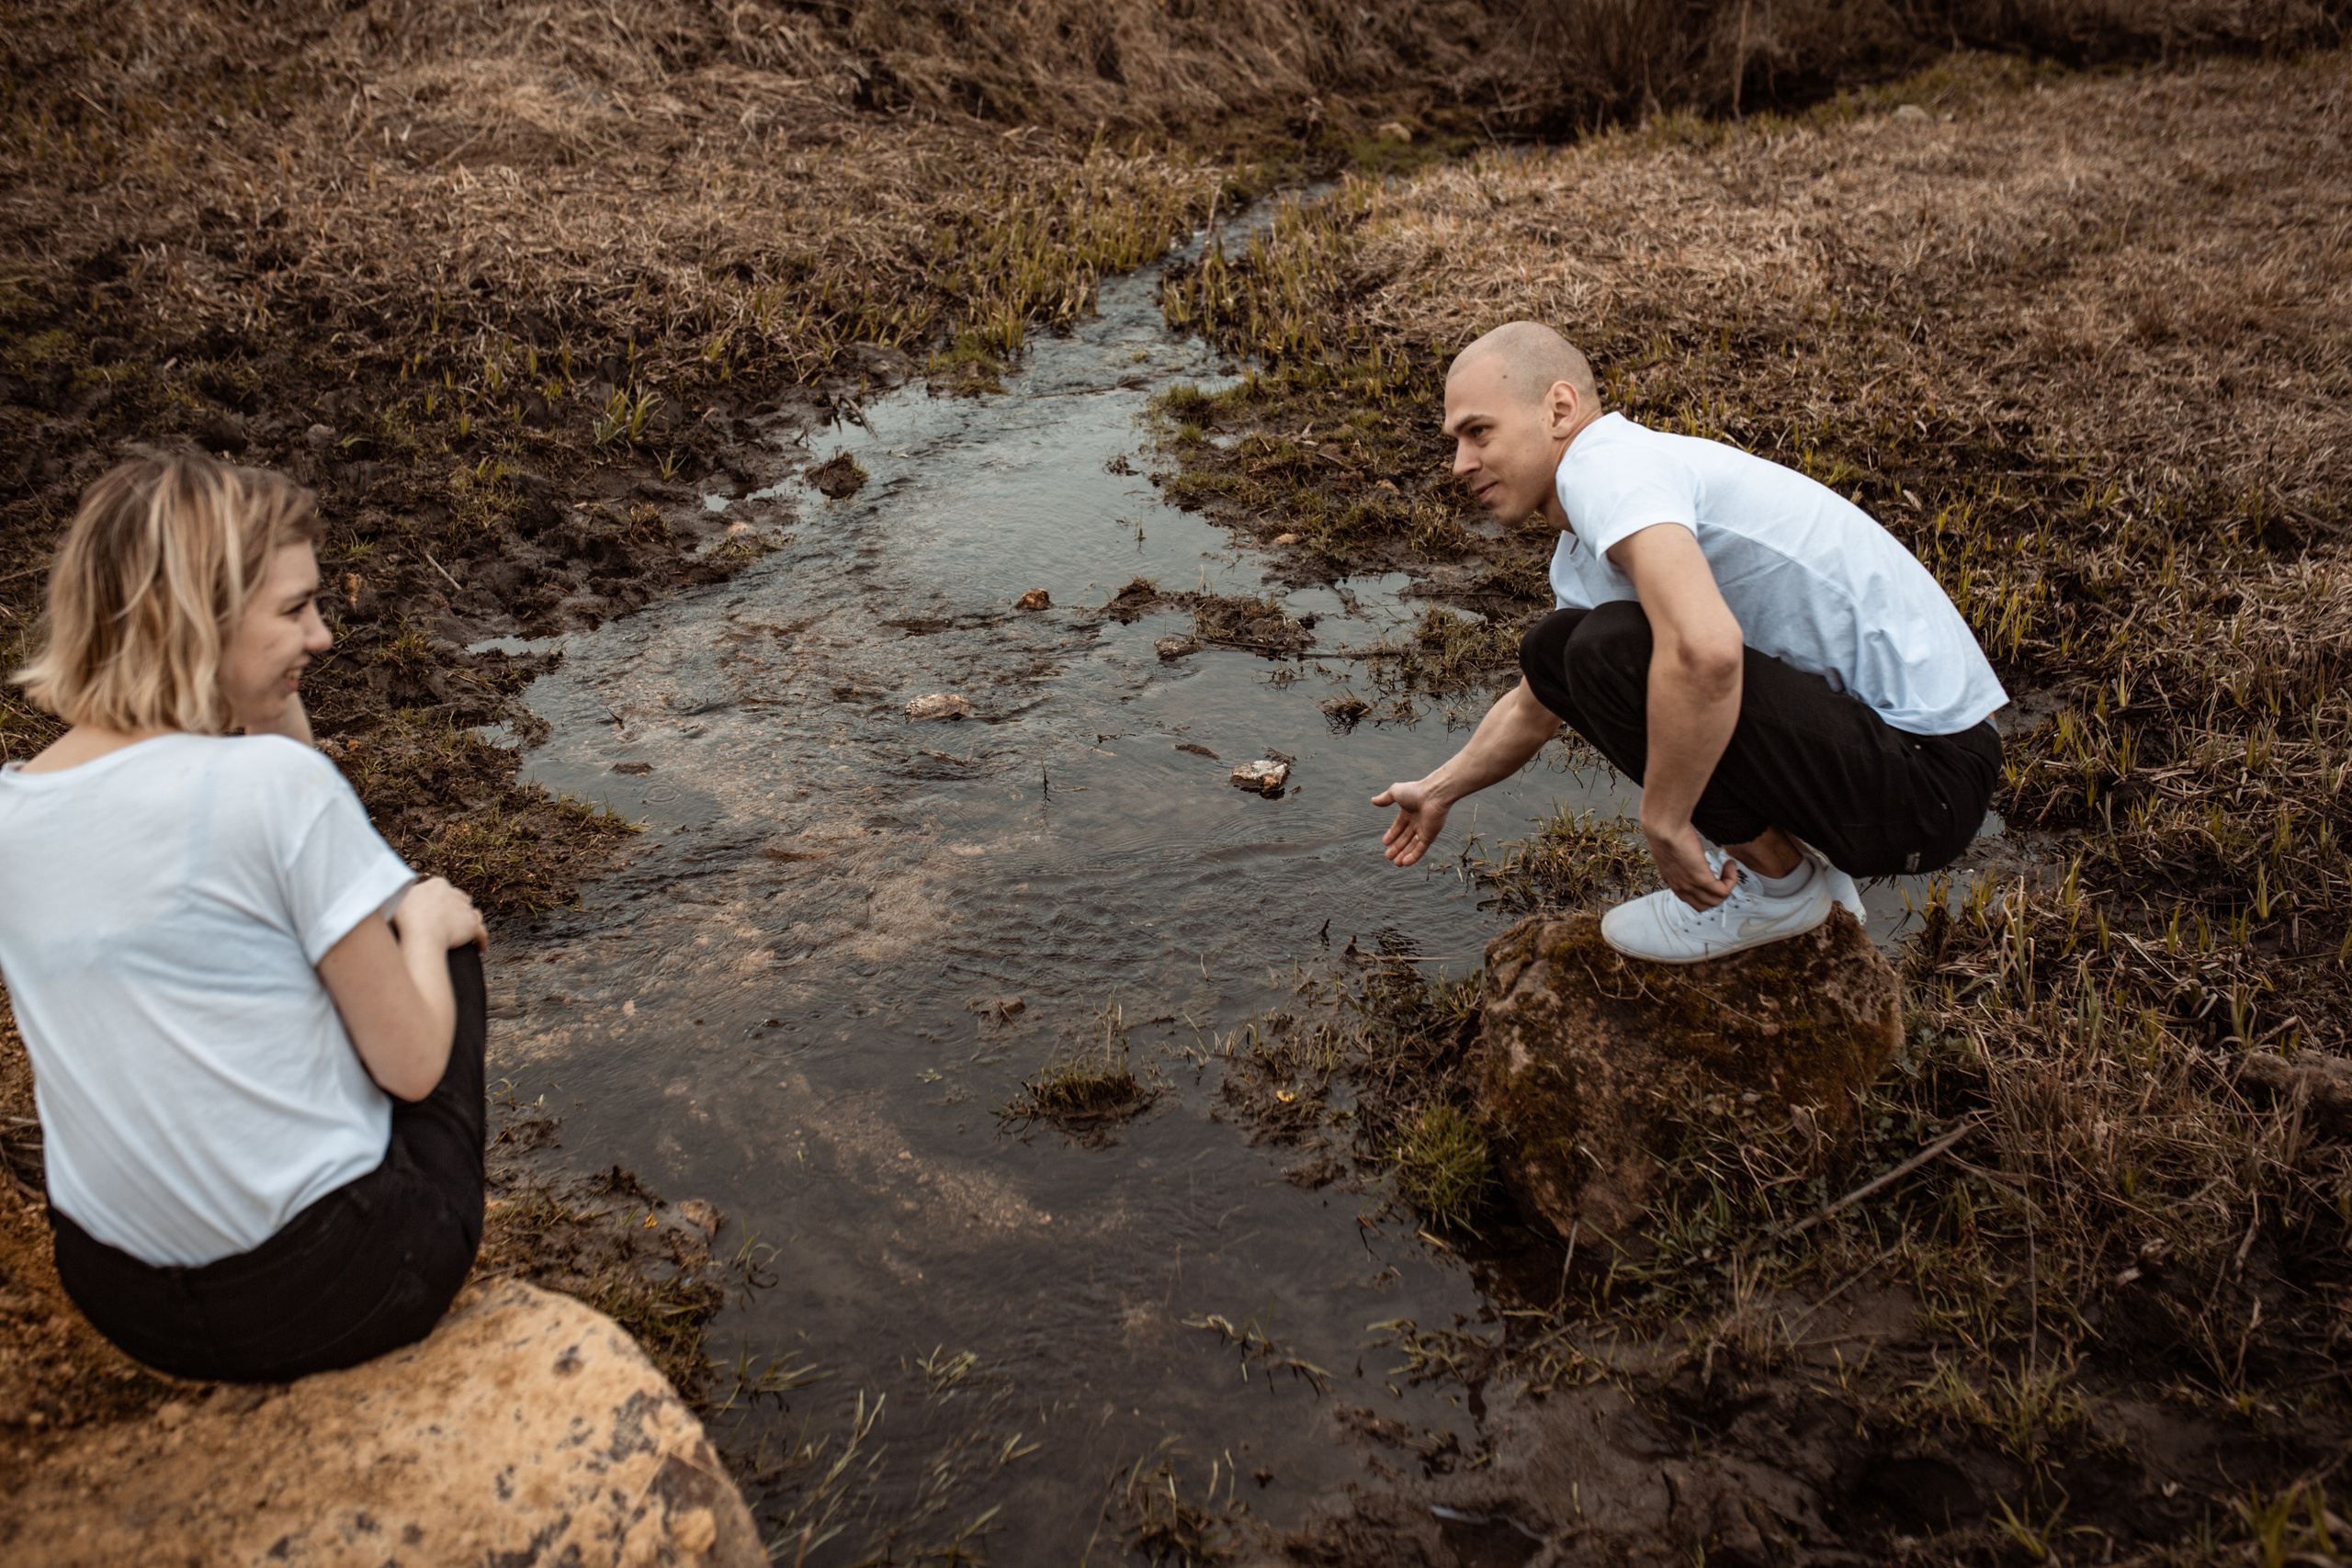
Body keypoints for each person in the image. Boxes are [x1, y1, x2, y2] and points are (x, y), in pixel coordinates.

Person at [0, 453, 491, 1382]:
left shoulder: (11, 810)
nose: (324, 636)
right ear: (195, 618)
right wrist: (423, 927)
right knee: (432, 926)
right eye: (294, 609)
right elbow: (413, 1066)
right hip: (334, 1288)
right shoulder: (274, 790)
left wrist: (276, 728)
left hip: (127, 1304)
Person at [1374, 322, 2007, 963]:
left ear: (1559, 409)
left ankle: (1777, 890)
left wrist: (1666, 820)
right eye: (1455, 440)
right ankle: (1809, 889)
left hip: (1929, 777)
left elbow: (1707, 649)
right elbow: (1532, 708)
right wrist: (1438, 789)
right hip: (1894, 764)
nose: (1460, 464)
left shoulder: (1609, 468)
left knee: (1602, 649)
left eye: (1479, 432)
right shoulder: (1602, 519)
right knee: (1557, 648)